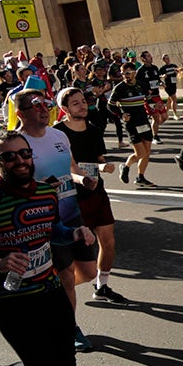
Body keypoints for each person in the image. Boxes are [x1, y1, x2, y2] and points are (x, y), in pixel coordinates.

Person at [0, 129, 95, 366]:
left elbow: (53, 231)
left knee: (66, 360)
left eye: (25, 154)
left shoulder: (45, 192)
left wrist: (74, 233)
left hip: (49, 288)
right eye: (9, 157)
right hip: (11, 299)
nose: (20, 161)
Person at [17, 89, 99, 351]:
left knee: (88, 272)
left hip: (73, 214)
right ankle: (70, 327)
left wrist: (82, 179)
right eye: (36, 105)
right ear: (21, 113)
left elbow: (72, 168)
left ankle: (49, 292)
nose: (44, 109)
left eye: (47, 103)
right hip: (46, 222)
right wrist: (39, 187)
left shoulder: (58, 135)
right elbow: (10, 186)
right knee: (66, 277)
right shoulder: (16, 144)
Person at [54, 88, 129, 305]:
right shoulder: (57, 134)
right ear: (64, 109)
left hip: (97, 193)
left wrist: (103, 165)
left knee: (108, 241)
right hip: (72, 200)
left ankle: (102, 286)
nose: (82, 105)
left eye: (83, 101)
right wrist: (83, 175)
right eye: (75, 103)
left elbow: (98, 157)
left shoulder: (94, 129)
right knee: (74, 259)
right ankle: (59, 291)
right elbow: (63, 168)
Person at [108, 61, 156, 188]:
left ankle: (140, 177)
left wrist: (154, 106)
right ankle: (125, 166)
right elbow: (110, 105)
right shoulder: (119, 88)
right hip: (131, 123)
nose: (126, 76)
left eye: (128, 73)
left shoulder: (142, 85)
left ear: (134, 72)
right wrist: (121, 114)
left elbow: (148, 99)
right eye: (123, 74)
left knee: (147, 152)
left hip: (144, 122)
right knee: (140, 153)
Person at [136, 51, 167, 144]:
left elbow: (157, 79)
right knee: (156, 117)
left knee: (164, 116)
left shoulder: (155, 68)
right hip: (149, 97)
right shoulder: (141, 71)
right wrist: (145, 91)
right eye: (148, 56)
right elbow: (137, 84)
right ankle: (155, 137)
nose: (151, 57)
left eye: (150, 55)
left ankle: (153, 127)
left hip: (157, 95)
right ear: (143, 59)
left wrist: (161, 83)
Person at [159, 54, 180, 120]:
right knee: (174, 99)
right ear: (163, 60)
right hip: (167, 85)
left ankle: (165, 113)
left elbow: (179, 73)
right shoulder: (163, 68)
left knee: (169, 100)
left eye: (168, 58)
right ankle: (175, 114)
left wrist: (177, 73)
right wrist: (162, 77)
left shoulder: (174, 66)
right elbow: (158, 76)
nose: (167, 60)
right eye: (166, 59)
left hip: (174, 84)